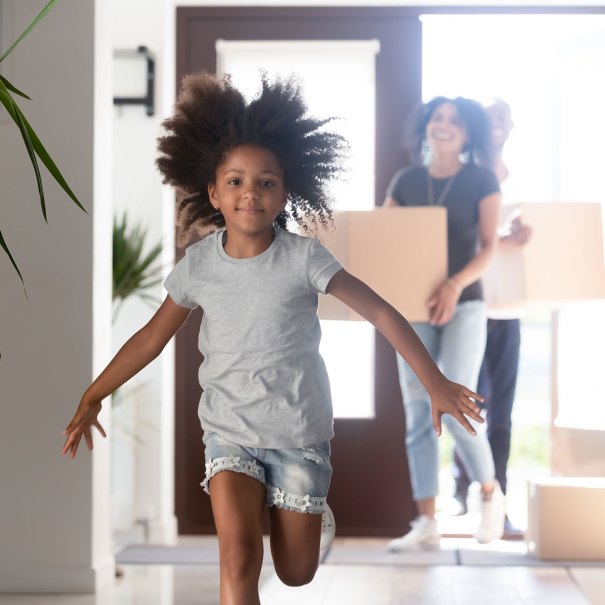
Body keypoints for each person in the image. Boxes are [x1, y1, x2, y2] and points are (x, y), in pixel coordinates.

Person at [62, 73, 485, 603]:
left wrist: (435, 381)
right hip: (228, 433)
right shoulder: (198, 267)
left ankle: (306, 520)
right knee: (238, 557)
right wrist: (94, 392)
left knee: (295, 572)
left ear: (286, 191)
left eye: (266, 182)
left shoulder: (303, 257)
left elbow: (379, 311)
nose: (250, 193)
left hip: (298, 436)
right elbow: (151, 337)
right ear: (213, 192)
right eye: (235, 181)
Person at [383, 96, 506, 550]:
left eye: (454, 120)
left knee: (456, 406)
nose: (444, 125)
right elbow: (384, 235)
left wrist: (453, 285)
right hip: (412, 309)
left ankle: (490, 496)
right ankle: (426, 523)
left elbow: (489, 247)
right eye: (437, 118)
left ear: (468, 131)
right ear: (425, 127)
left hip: (465, 305)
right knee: (418, 413)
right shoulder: (407, 181)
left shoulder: (481, 178)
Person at [450, 99, 532, 532]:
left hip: (509, 307)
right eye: (491, 118)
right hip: (470, 304)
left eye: (504, 117)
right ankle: (461, 491)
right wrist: (501, 236)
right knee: (465, 403)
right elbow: (464, 234)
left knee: (503, 410)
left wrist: (523, 234)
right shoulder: (465, 177)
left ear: (511, 125)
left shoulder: (518, 181)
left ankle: (498, 499)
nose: (497, 125)